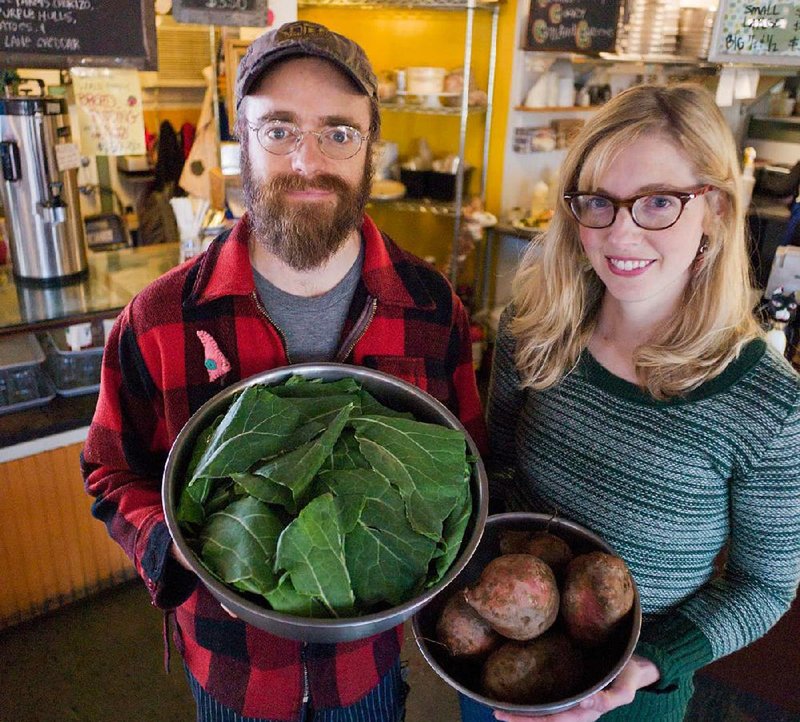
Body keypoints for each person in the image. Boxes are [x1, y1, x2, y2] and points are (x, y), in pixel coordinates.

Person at [82, 21, 486, 722]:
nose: (308, 161)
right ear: (243, 141)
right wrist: (181, 550)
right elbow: (111, 470)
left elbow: (468, 463)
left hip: (368, 668)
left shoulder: (432, 309)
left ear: (369, 149)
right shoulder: (158, 318)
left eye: (338, 132)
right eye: (278, 130)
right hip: (230, 667)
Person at [473, 83, 800, 722]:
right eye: (599, 200)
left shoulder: (770, 407)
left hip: (631, 703)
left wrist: (646, 663)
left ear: (718, 211)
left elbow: (765, 588)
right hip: (496, 669)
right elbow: (499, 474)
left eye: (658, 202)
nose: (620, 233)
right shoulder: (534, 331)